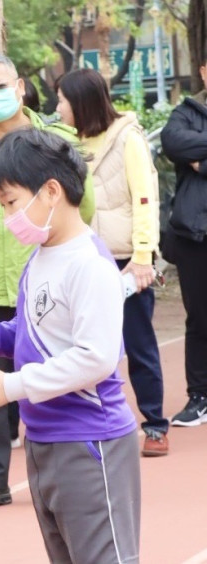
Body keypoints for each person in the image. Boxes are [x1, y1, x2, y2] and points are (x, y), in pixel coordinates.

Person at [0, 128, 140, 563]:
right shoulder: (42, 256)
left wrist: (8, 387)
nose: (8, 216)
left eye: (11, 202)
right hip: (44, 442)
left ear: (51, 191)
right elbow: (32, 333)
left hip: (90, 443)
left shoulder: (90, 266)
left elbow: (96, 358)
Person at [0, 52, 95, 511]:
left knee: (60, 376)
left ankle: (71, 469)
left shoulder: (56, 140)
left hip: (51, 285)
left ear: (21, 86)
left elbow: (80, 209)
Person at [57, 68, 168, 456]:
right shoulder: (68, 142)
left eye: (62, 101)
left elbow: (144, 198)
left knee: (138, 344)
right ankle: (90, 423)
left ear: (80, 102)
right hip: (87, 257)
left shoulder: (128, 138)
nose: (58, 108)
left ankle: (155, 424)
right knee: (86, 345)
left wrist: (142, 256)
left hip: (125, 257)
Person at [160, 60, 207, 427]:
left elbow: (189, 152)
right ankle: (200, 396)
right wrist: (187, 156)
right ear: (204, 71)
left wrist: (199, 162)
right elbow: (173, 143)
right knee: (200, 317)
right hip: (195, 232)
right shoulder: (187, 111)